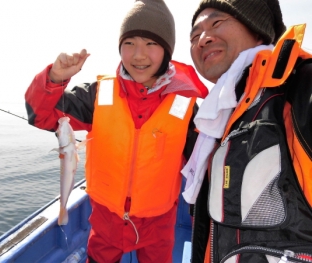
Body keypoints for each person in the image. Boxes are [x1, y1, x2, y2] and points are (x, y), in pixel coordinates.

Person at [25, 0, 208, 262]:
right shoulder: (97, 95)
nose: (139, 55)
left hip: (159, 224)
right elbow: (39, 115)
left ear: (167, 51)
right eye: (130, 43)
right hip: (105, 221)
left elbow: (206, 165)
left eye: (151, 44)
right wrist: (54, 78)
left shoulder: (187, 108)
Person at [181, 0, 312, 262]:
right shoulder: (218, 117)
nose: (203, 39)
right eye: (194, 36)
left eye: (217, 23)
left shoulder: (301, 86)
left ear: (257, 30)